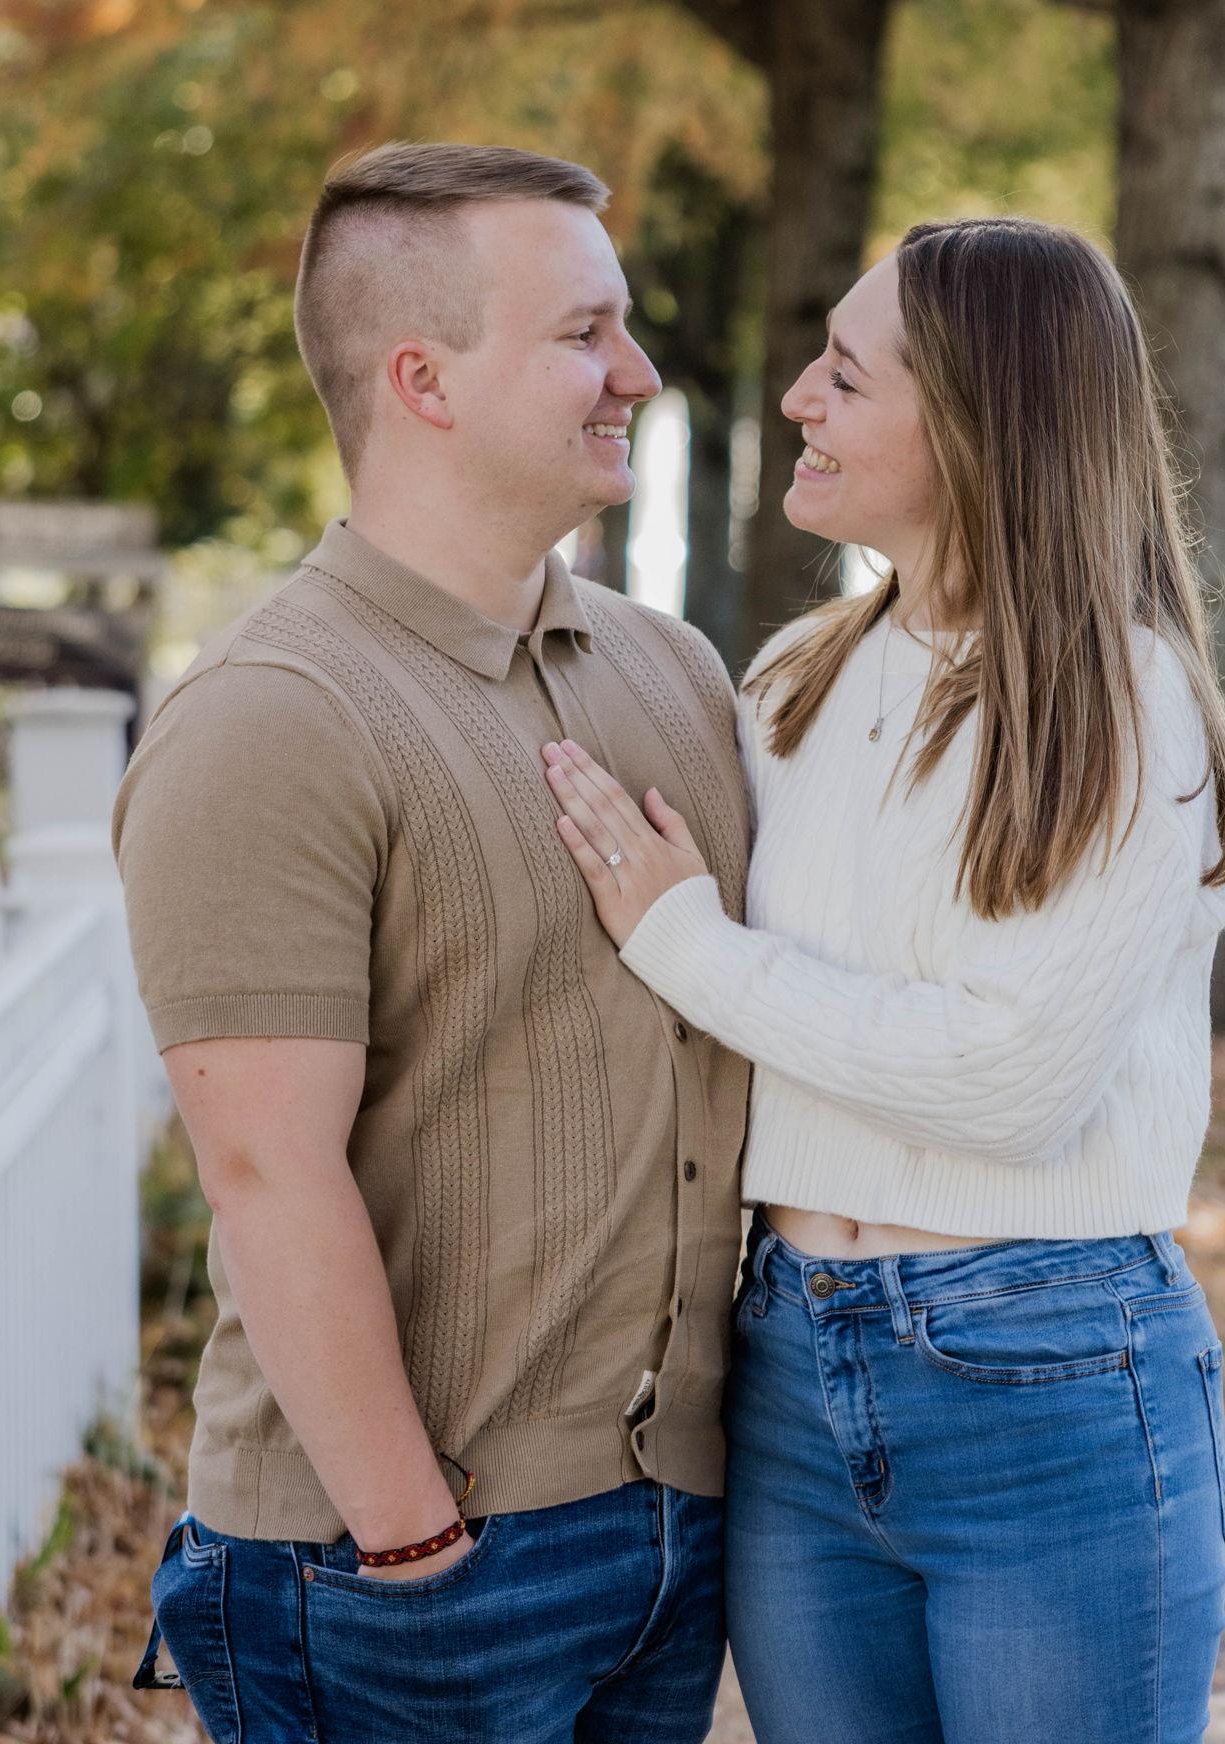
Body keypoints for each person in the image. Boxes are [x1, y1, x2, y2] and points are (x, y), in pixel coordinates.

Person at [541, 215, 1225, 1744]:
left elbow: (1008, 1081)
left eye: (847, 377)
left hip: (1051, 1368)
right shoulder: (795, 678)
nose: (798, 397)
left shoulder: (1124, 703)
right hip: (790, 1359)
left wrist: (687, 942)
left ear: (981, 426)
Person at [112, 142, 753, 1743]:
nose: (638, 373)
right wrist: (414, 1544)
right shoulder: (271, 717)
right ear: (424, 380)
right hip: (396, 1566)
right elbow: (265, 1172)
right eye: (584, 334)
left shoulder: (675, 676)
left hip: (673, 1537)